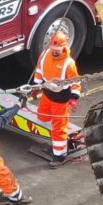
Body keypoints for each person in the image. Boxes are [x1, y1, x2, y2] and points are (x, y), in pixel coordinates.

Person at [30, 27, 82, 163]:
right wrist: (35, 88)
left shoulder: (68, 64)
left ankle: (60, 155)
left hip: (61, 100)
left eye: (57, 50)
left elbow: (76, 82)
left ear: (64, 48)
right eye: (53, 49)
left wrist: (74, 98)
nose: (55, 52)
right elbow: (39, 71)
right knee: (42, 117)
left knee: (59, 128)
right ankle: (58, 134)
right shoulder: (45, 55)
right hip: (47, 95)